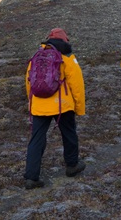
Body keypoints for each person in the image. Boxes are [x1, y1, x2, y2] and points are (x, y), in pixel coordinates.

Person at [24, 28, 86, 189]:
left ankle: (31, 177)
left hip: (39, 105)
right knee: (69, 134)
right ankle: (72, 166)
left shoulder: (37, 56)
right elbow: (77, 86)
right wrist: (79, 108)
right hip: (62, 106)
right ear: (65, 40)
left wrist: (32, 104)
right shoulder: (67, 58)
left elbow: (29, 82)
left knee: (36, 139)